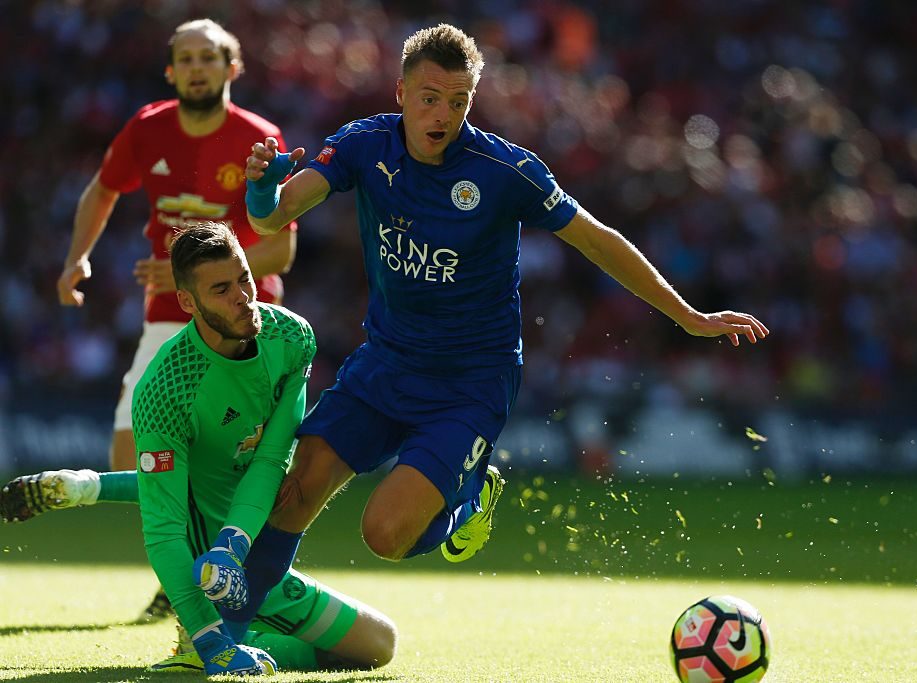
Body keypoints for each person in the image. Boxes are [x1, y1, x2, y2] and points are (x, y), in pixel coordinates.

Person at [232, 22, 769, 611]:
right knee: (292, 495)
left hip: (470, 383)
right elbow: (272, 217)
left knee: (383, 536)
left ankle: (463, 501)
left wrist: (686, 315)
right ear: (401, 94)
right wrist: (261, 189)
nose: (444, 114)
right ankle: (230, 635)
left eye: (459, 101)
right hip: (386, 363)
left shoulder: (503, 171)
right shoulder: (365, 144)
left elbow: (597, 240)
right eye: (430, 98)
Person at [2, 222, 396, 675]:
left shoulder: (291, 338)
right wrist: (211, 642)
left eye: (245, 278)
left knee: (379, 645)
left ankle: (245, 639)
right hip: (202, 568)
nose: (243, 297)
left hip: (247, 551)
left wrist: (233, 544)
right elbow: (165, 529)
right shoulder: (165, 388)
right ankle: (203, 637)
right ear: (188, 303)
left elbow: (270, 460)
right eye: (222, 289)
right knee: (175, 505)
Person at [56, 17, 298, 619]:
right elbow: (102, 189)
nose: (196, 68)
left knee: (241, 457)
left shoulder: (258, 137)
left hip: (244, 321)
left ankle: (219, 573)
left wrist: (193, 275)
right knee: (127, 452)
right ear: (171, 71)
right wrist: (76, 259)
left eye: (209, 57)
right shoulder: (148, 128)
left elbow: (282, 249)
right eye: (185, 58)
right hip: (168, 315)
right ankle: (193, 565)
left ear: (231, 68)